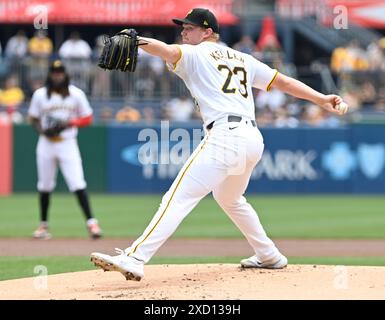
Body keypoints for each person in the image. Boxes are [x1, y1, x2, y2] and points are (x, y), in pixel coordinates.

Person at [91, 8, 347, 281]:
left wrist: (137, 39)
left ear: (208, 32)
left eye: (189, 28)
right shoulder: (243, 58)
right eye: (183, 28)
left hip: (225, 136)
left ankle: (135, 258)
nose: (183, 32)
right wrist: (321, 98)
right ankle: (269, 254)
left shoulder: (196, 52)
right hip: (251, 139)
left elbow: (167, 51)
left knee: (177, 198)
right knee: (229, 198)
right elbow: (281, 82)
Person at [28, 60, 102, 240]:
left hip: (67, 143)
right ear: (50, 75)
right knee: (44, 185)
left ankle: (92, 223)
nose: (57, 75)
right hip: (46, 143)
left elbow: (88, 118)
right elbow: (33, 118)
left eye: (60, 72)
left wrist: (70, 123)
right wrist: (42, 130)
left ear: (65, 74)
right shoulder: (40, 95)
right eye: (54, 72)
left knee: (77, 183)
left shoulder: (76, 94)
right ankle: (43, 226)